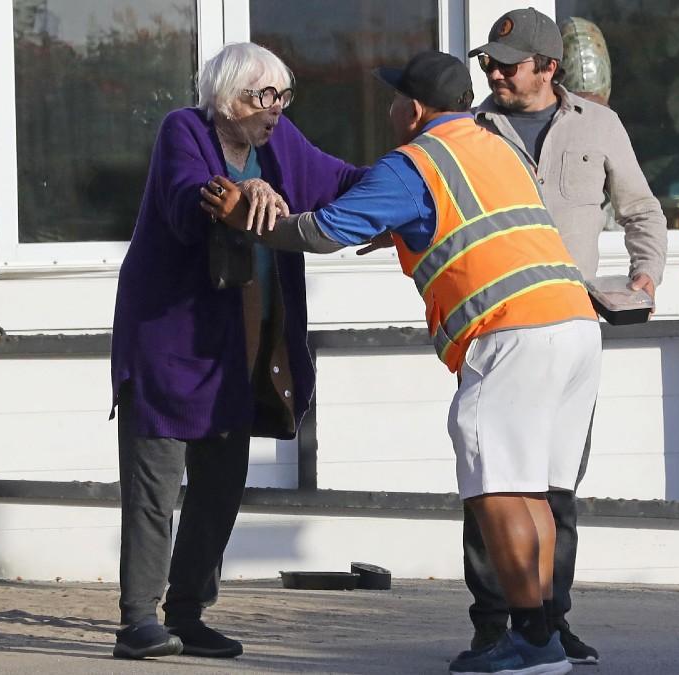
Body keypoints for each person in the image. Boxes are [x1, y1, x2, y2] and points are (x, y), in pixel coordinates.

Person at [203, 49, 599, 675]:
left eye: (393, 99)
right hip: (573, 322)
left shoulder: (416, 161)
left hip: (511, 331)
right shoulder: (495, 147)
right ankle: (544, 632)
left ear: (413, 109)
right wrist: (403, 228)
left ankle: (531, 643)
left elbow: (319, 231)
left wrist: (246, 222)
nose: (389, 109)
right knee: (534, 491)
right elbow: (471, 220)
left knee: (498, 488)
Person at [108, 42, 365, 660]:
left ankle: (188, 613)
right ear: (226, 100)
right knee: (153, 491)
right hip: (168, 344)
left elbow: (338, 180)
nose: (275, 109)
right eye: (263, 95)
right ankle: (137, 620)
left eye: (282, 96)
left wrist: (409, 185)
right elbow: (186, 202)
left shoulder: (279, 143)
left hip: (238, 348)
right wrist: (244, 194)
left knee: (220, 488)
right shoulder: (184, 130)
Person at [464, 8, 669, 664]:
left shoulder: (599, 125)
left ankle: (551, 621)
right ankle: (492, 626)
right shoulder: (471, 130)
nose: (494, 73)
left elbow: (641, 211)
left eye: (508, 64)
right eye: (488, 62)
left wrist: (644, 278)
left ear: (549, 67)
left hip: (571, 326)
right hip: (496, 327)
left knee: (556, 486)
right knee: (493, 484)